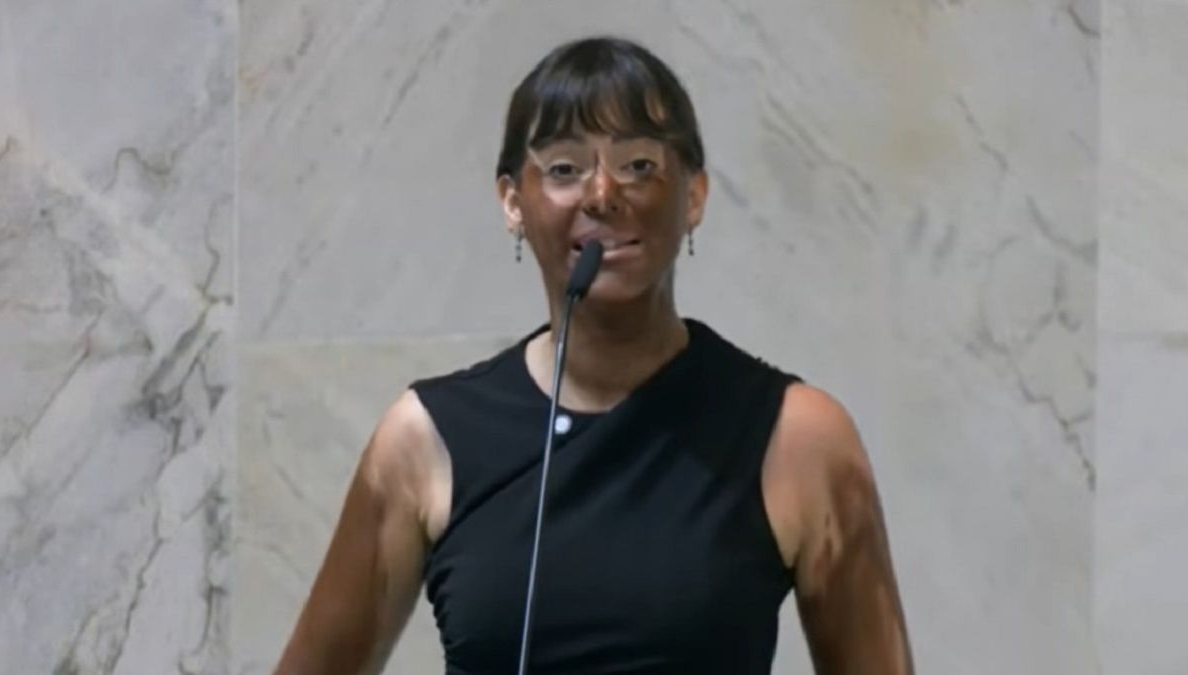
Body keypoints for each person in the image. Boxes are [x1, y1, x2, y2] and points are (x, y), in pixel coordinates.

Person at [272, 36, 913, 675]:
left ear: (693, 196)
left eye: (639, 165)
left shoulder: (798, 436)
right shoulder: (425, 439)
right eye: (564, 169)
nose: (602, 193)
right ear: (512, 203)